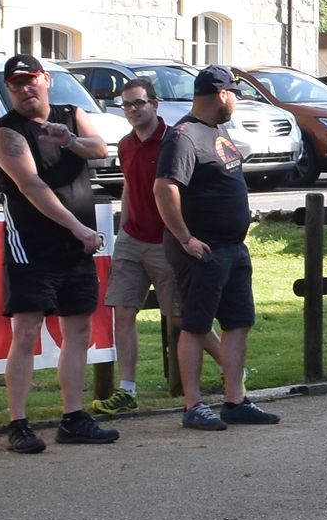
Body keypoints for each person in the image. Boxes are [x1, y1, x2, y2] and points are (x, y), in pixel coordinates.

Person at [0, 54, 115, 452]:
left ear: (45, 80)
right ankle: (18, 423)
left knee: (79, 331)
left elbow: (100, 149)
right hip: (33, 246)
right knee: (26, 333)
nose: (25, 89)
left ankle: (73, 417)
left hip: (75, 247)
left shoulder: (71, 114)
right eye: (16, 84)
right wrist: (78, 228)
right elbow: (31, 186)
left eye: (30, 80)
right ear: (8, 90)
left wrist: (69, 140)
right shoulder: (7, 133)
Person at [155, 64, 280, 428]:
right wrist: (185, 238)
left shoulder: (216, 130)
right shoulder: (183, 136)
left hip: (232, 247)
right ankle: (193, 405)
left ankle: (235, 400)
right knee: (196, 326)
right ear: (222, 95)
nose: (236, 102)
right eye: (234, 95)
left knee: (238, 323)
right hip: (202, 249)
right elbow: (164, 188)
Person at [103, 78, 178, 414]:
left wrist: (182, 234)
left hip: (166, 240)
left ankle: (230, 370)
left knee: (180, 317)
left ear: (154, 104)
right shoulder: (125, 144)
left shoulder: (174, 140)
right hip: (132, 239)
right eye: (127, 104)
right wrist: (123, 228)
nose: (132, 110)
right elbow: (129, 187)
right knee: (122, 310)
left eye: (139, 103)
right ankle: (127, 389)